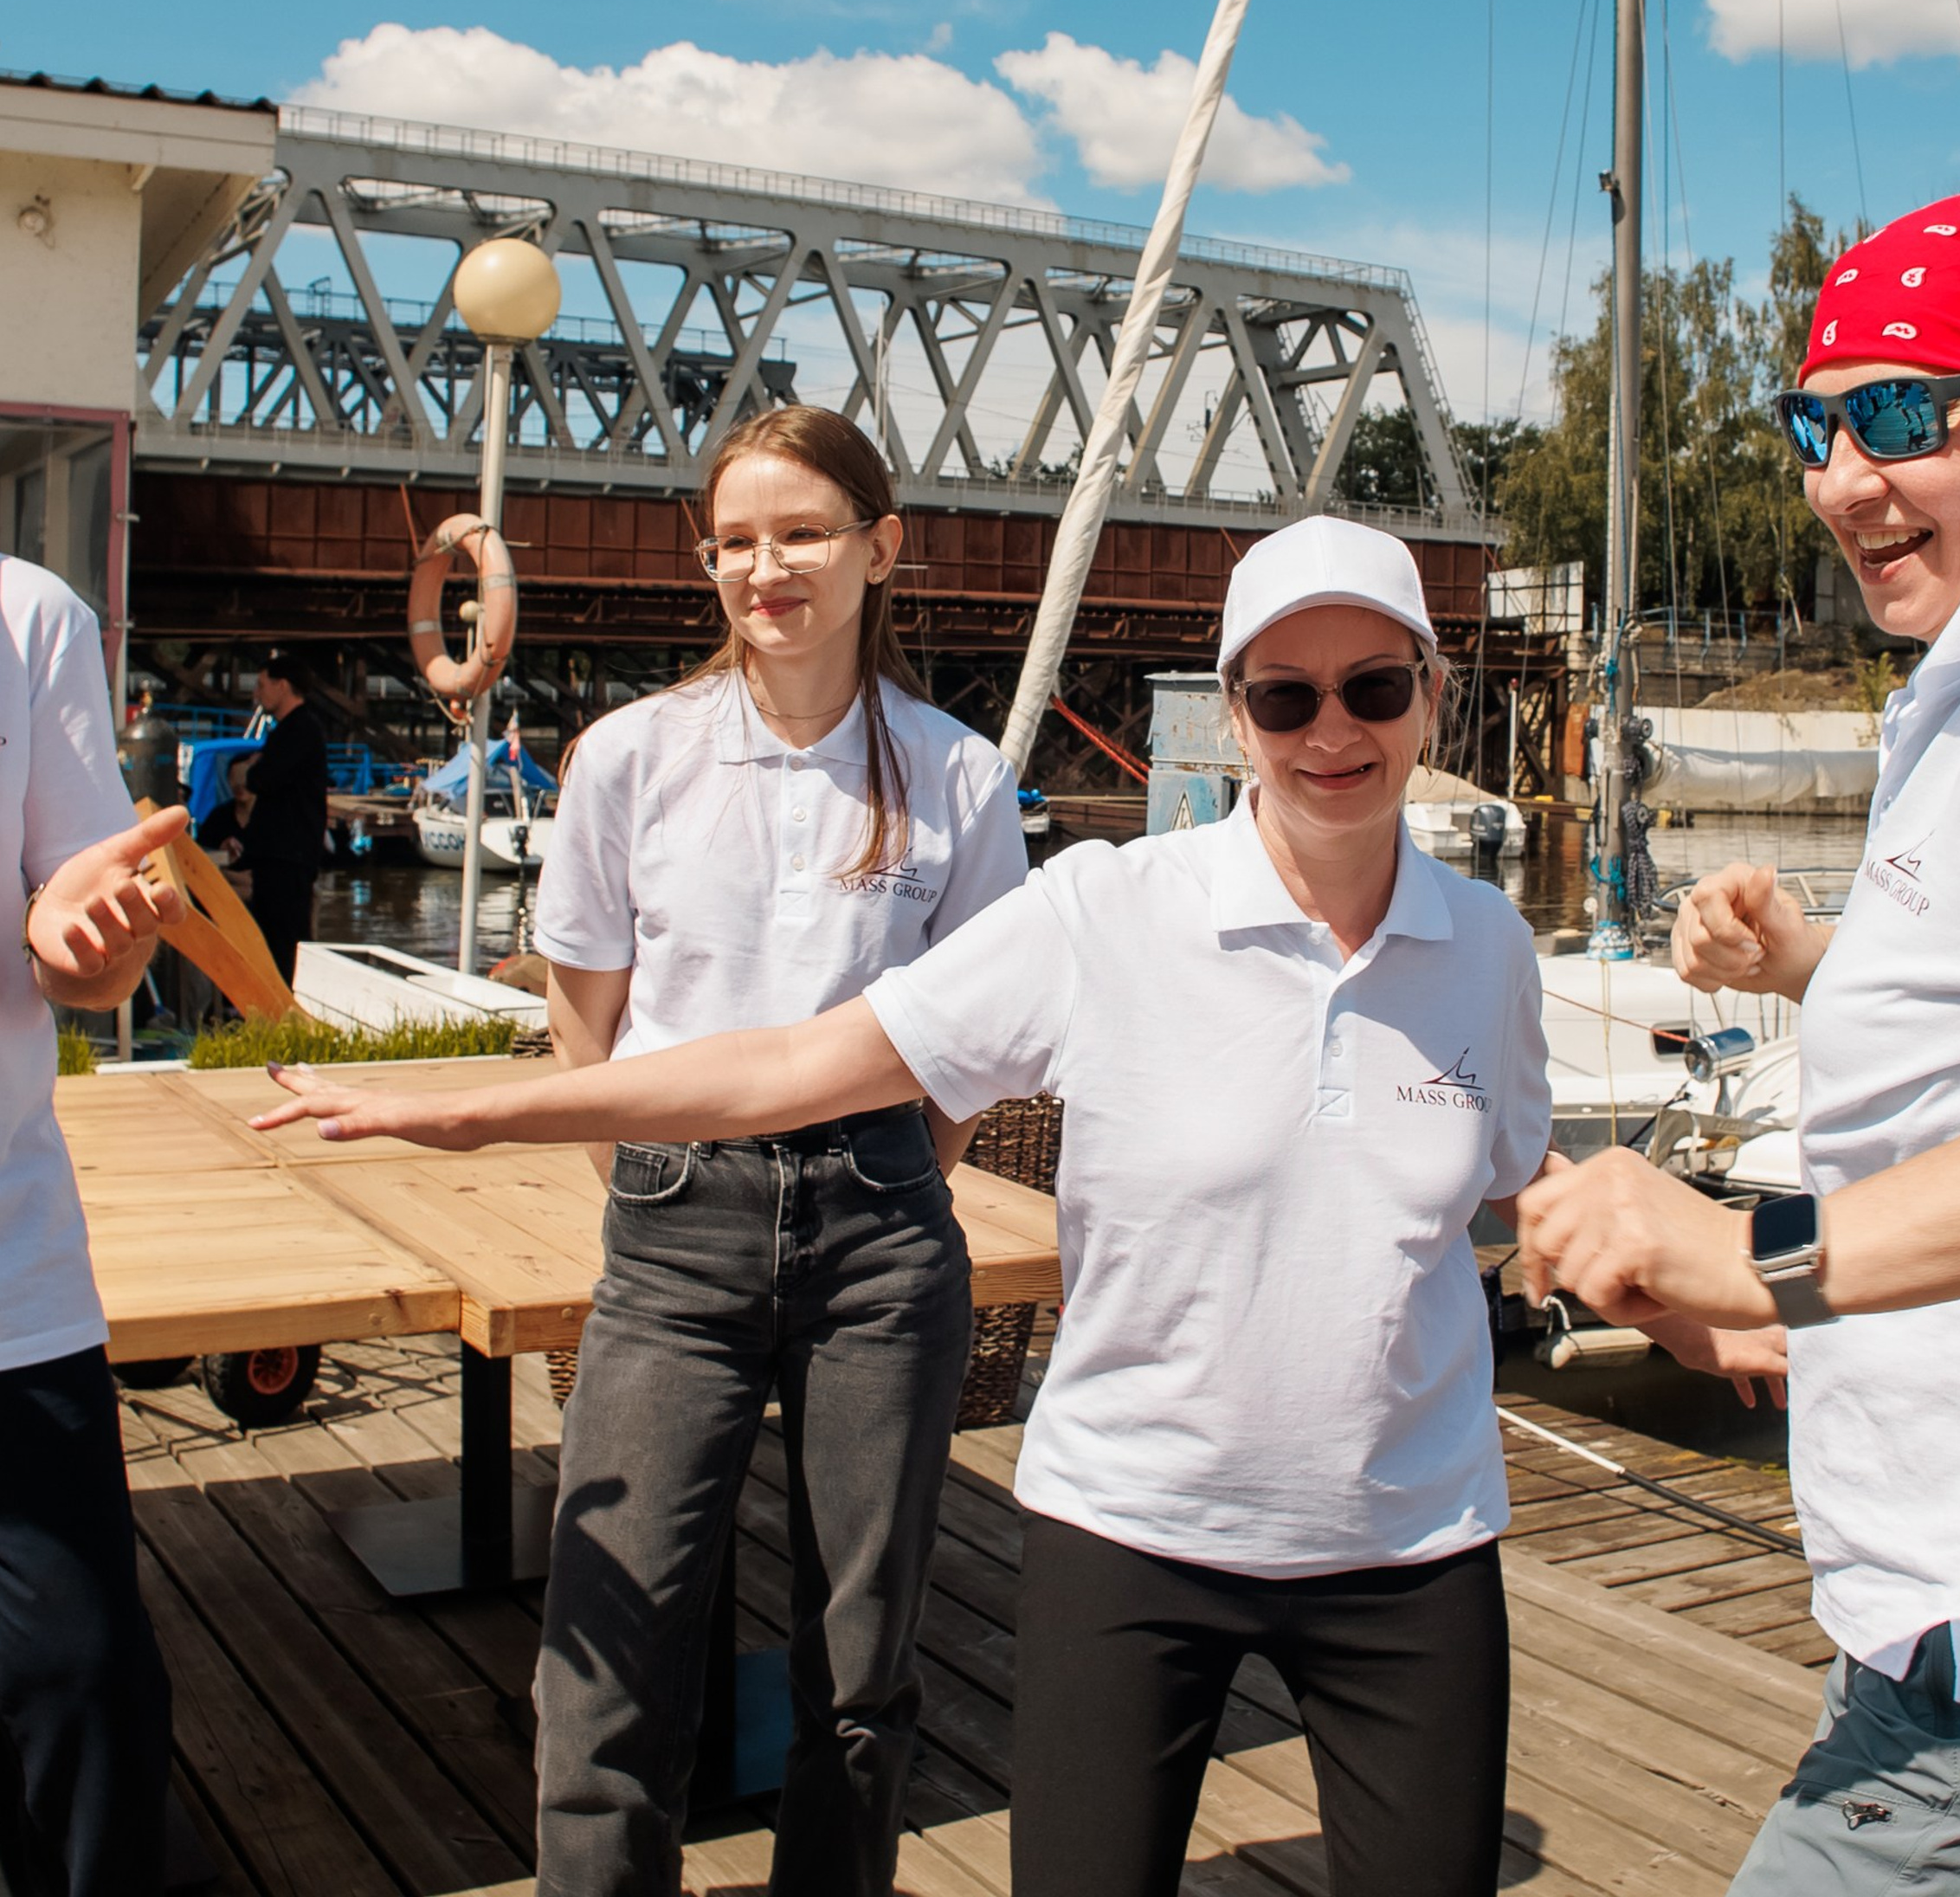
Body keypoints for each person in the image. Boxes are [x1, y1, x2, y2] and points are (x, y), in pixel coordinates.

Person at [254, 514, 1782, 1897]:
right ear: (1238, 710)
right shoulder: (1105, 913)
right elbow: (792, 1066)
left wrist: (1721, 1313)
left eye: (1374, 690)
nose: (1333, 732)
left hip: (1407, 1544)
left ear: (1432, 697)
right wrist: (479, 1107)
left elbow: (1517, 1187)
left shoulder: (1489, 943)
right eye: (1284, 696)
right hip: (1136, 1535)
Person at [1516, 189, 1960, 1894]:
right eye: (1810, 423)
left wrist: (1770, 1258)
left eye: (1901, 413)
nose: (1838, 475)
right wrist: (1818, 967)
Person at [520, 405, 1028, 1894]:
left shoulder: (956, 779)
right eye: (737, 541)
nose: (768, 568)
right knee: (611, 1652)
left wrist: (896, 1172)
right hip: (678, 1231)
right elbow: (583, 1023)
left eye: (802, 533)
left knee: (860, 1672)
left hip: (882, 1238)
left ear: (880, 550)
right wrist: (665, 1188)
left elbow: (973, 1043)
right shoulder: (630, 761)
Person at [2, 549, 185, 1893]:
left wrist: (95, 944)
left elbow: (84, 919)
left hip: (12, 1280)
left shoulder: (23, 614)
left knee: (81, 1679)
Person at [242, 652, 326, 984]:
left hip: (288, 852)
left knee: (284, 935)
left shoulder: (299, 730)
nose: (257, 693)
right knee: (273, 930)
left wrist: (251, 769)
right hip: (280, 850)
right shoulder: (293, 730)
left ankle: (286, 999)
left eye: (262, 685)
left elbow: (262, 778)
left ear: (283, 685)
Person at [196, 752, 255, 890]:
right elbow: (201, 857)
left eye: (245, 779)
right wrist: (223, 855)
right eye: (235, 779)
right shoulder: (219, 816)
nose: (240, 785)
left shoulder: (270, 818)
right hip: (226, 884)